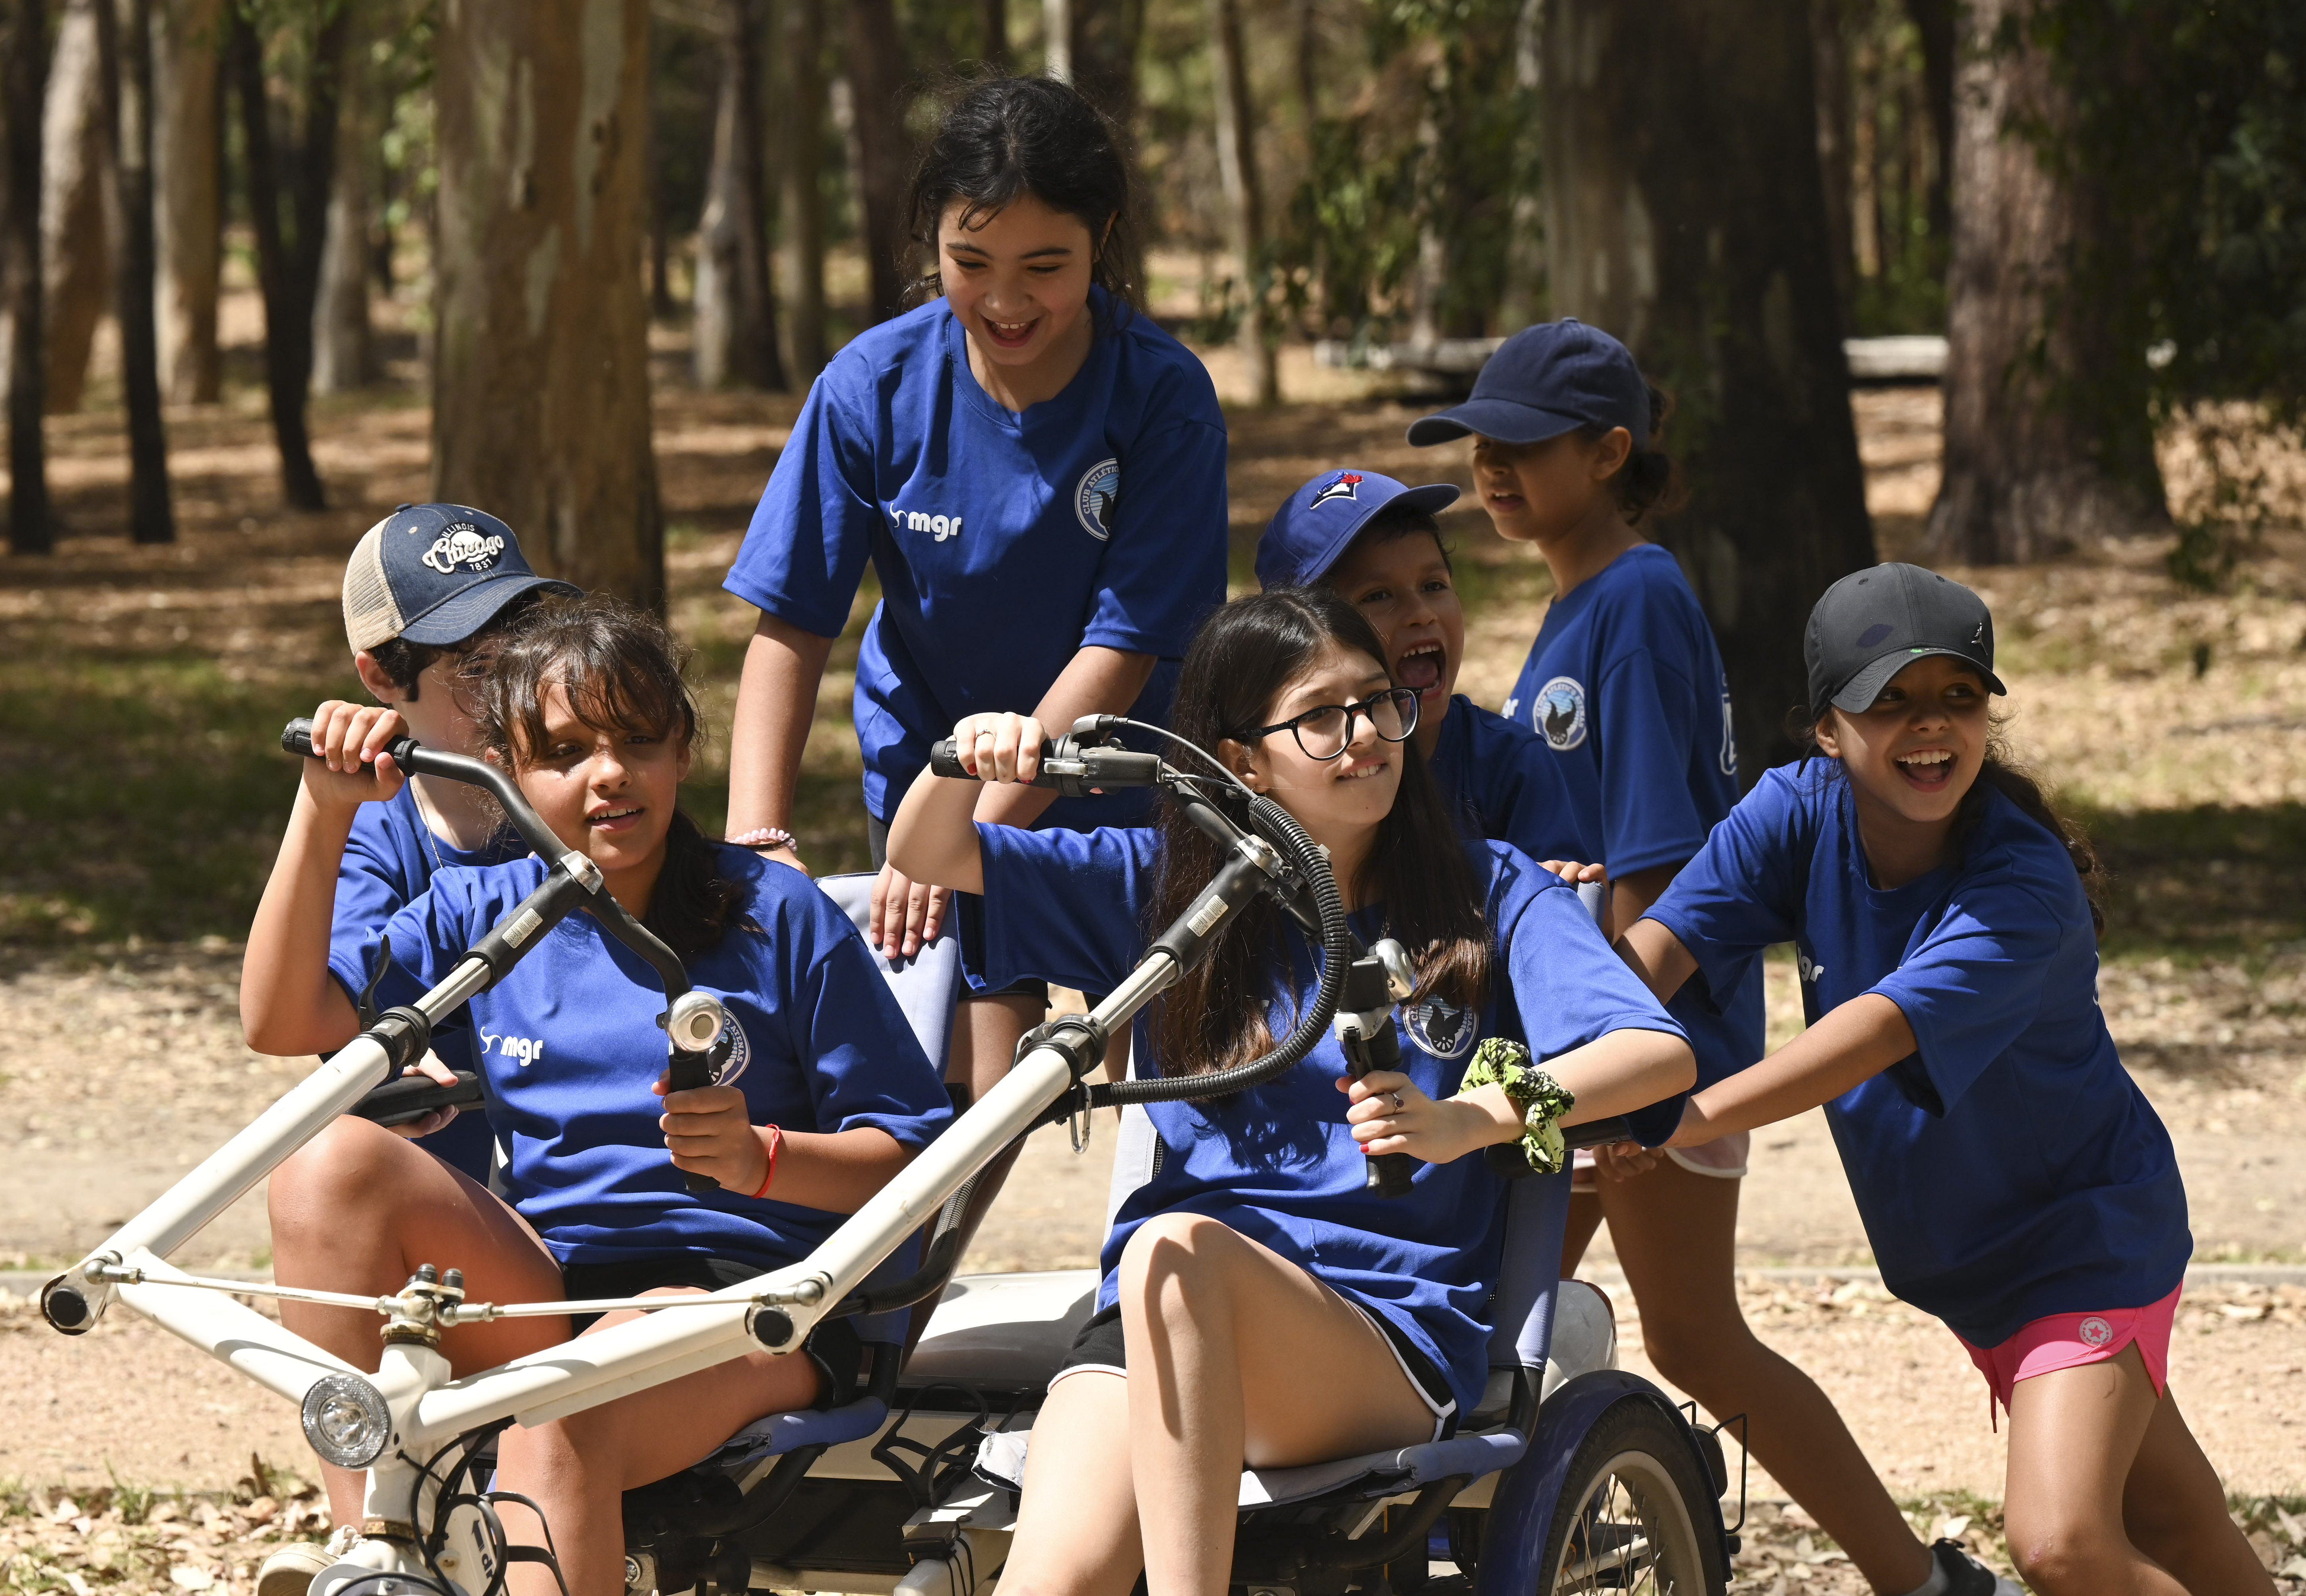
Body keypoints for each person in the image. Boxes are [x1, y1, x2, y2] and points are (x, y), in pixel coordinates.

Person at [884, 588, 1697, 1596]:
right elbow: (923, 855)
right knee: (1049, 1581)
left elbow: (1652, 1053)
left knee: (1168, 1252)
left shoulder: (1485, 889)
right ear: (1240, 761)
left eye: (1375, 702)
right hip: (1159, 1316)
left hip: (1380, 1329)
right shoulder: (1172, 889)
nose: (1364, 735)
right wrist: (969, 757)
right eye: (1321, 717)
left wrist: (1467, 1119)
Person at [1407, 322, 2000, 1596]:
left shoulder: (1635, 600)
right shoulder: (1589, 597)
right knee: (1497, 1311)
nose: (1490, 466)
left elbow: (1661, 865)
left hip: (1639, 1042)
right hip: (1593, 1039)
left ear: (1610, 452)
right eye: (1480, 443)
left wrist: (1614, 1066)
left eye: (1522, 445)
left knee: (1671, 1335)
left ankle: (1920, 1582)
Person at [239, 597, 955, 1596]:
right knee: (327, 1164)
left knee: (565, 1405)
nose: (607, 772)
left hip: (746, 1306)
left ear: (682, 755)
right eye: (565, 750)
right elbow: (282, 1022)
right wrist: (323, 807)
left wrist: (763, 1160)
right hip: (551, 1288)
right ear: (510, 776)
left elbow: (920, 1168)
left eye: (635, 741)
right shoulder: (486, 909)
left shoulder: (773, 912)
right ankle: (379, 1555)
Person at [1622, 564, 2269, 1596]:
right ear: (1829, 729)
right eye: (1893, 702)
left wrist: (1675, 1118)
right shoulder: (1796, 811)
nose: (1932, 728)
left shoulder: (2020, 884)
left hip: (2084, 1241)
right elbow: (1661, 944)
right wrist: (1571, 1064)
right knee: (2175, 1525)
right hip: (1972, 1262)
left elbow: (1870, 1036)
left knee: (2062, 1542)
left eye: (1957, 698)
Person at [721, 73, 1228, 1109]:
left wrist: (967, 835)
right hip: (926, 775)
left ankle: (1151, 1265)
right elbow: (792, 622)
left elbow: (1122, 648)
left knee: (1164, 1090)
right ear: (931, 242)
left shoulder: (1163, 397)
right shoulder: (872, 387)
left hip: (1118, 783)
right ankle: (919, 1275)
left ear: (1105, 239)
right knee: (951, 1097)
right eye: (971, 262)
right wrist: (756, 837)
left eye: (1047, 266)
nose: (1006, 301)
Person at [312, 501, 578, 1179]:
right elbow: (316, 1016)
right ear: (380, 677)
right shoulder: (372, 835)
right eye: (478, 669)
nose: (511, 696)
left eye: (529, 658)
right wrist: (377, 1058)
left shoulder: (596, 799)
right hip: (453, 1199)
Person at [1254, 465, 1585, 867]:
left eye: (1434, 585)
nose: (1421, 613)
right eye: (1377, 595)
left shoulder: (1509, 765)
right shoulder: (1282, 773)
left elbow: (1570, 911)